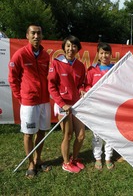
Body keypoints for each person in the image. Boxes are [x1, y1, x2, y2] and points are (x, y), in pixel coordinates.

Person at [8, 24, 51, 178]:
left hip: (44, 100)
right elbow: (12, 78)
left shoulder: (46, 55)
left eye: (39, 33)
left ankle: (38, 158)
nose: (36, 36)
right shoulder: (20, 54)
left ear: (42, 35)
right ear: (27, 35)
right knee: (28, 133)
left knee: (42, 131)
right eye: (33, 33)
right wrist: (21, 97)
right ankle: (30, 163)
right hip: (29, 101)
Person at [48, 35, 85, 173]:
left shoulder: (80, 65)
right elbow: (51, 86)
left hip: (76, 104)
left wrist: (81, 90)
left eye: (74, 46)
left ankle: (74, 158)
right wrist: (62, 104)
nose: (71, 49)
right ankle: (65, 162)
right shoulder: (57, 63)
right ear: (64, 47)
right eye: (68, 45)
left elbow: (82, 84)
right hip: (63, 104)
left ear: (77, 49)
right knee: (68, 135)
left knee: (81, 135)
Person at [84, 42, 115, 170]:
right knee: (97, 134)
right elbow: (86, 85)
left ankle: (108, 157)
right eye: (101, 53)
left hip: (111, 107)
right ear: (98, 54)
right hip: (96, 108)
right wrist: (87, 90)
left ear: (111, 54)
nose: (104, 55)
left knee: (109, 133)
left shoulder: (115, 68)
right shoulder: (92, 70)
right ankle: (97, 157)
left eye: (107, 53)